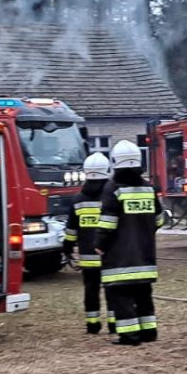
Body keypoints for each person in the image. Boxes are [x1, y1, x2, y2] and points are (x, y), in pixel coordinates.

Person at [95, 140, 164, 346]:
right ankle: (149, 332)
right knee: (144, 295)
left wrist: (100, 244)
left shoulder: (113, 188)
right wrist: (144, 231)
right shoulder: (148, 189)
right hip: (145, 255)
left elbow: (108, 223)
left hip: (120, 259)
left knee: (122, 296)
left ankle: (130, 335)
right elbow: (159, 220)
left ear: (115, 163)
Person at [63, 152, 115, 334]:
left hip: (87, 257)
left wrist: (67, 249)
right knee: (111, 291)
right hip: (109, 256)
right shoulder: (112, 197)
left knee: (91, 291)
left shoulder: (77, 200)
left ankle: (92, 324)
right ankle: (113, 324)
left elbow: (71, 231)